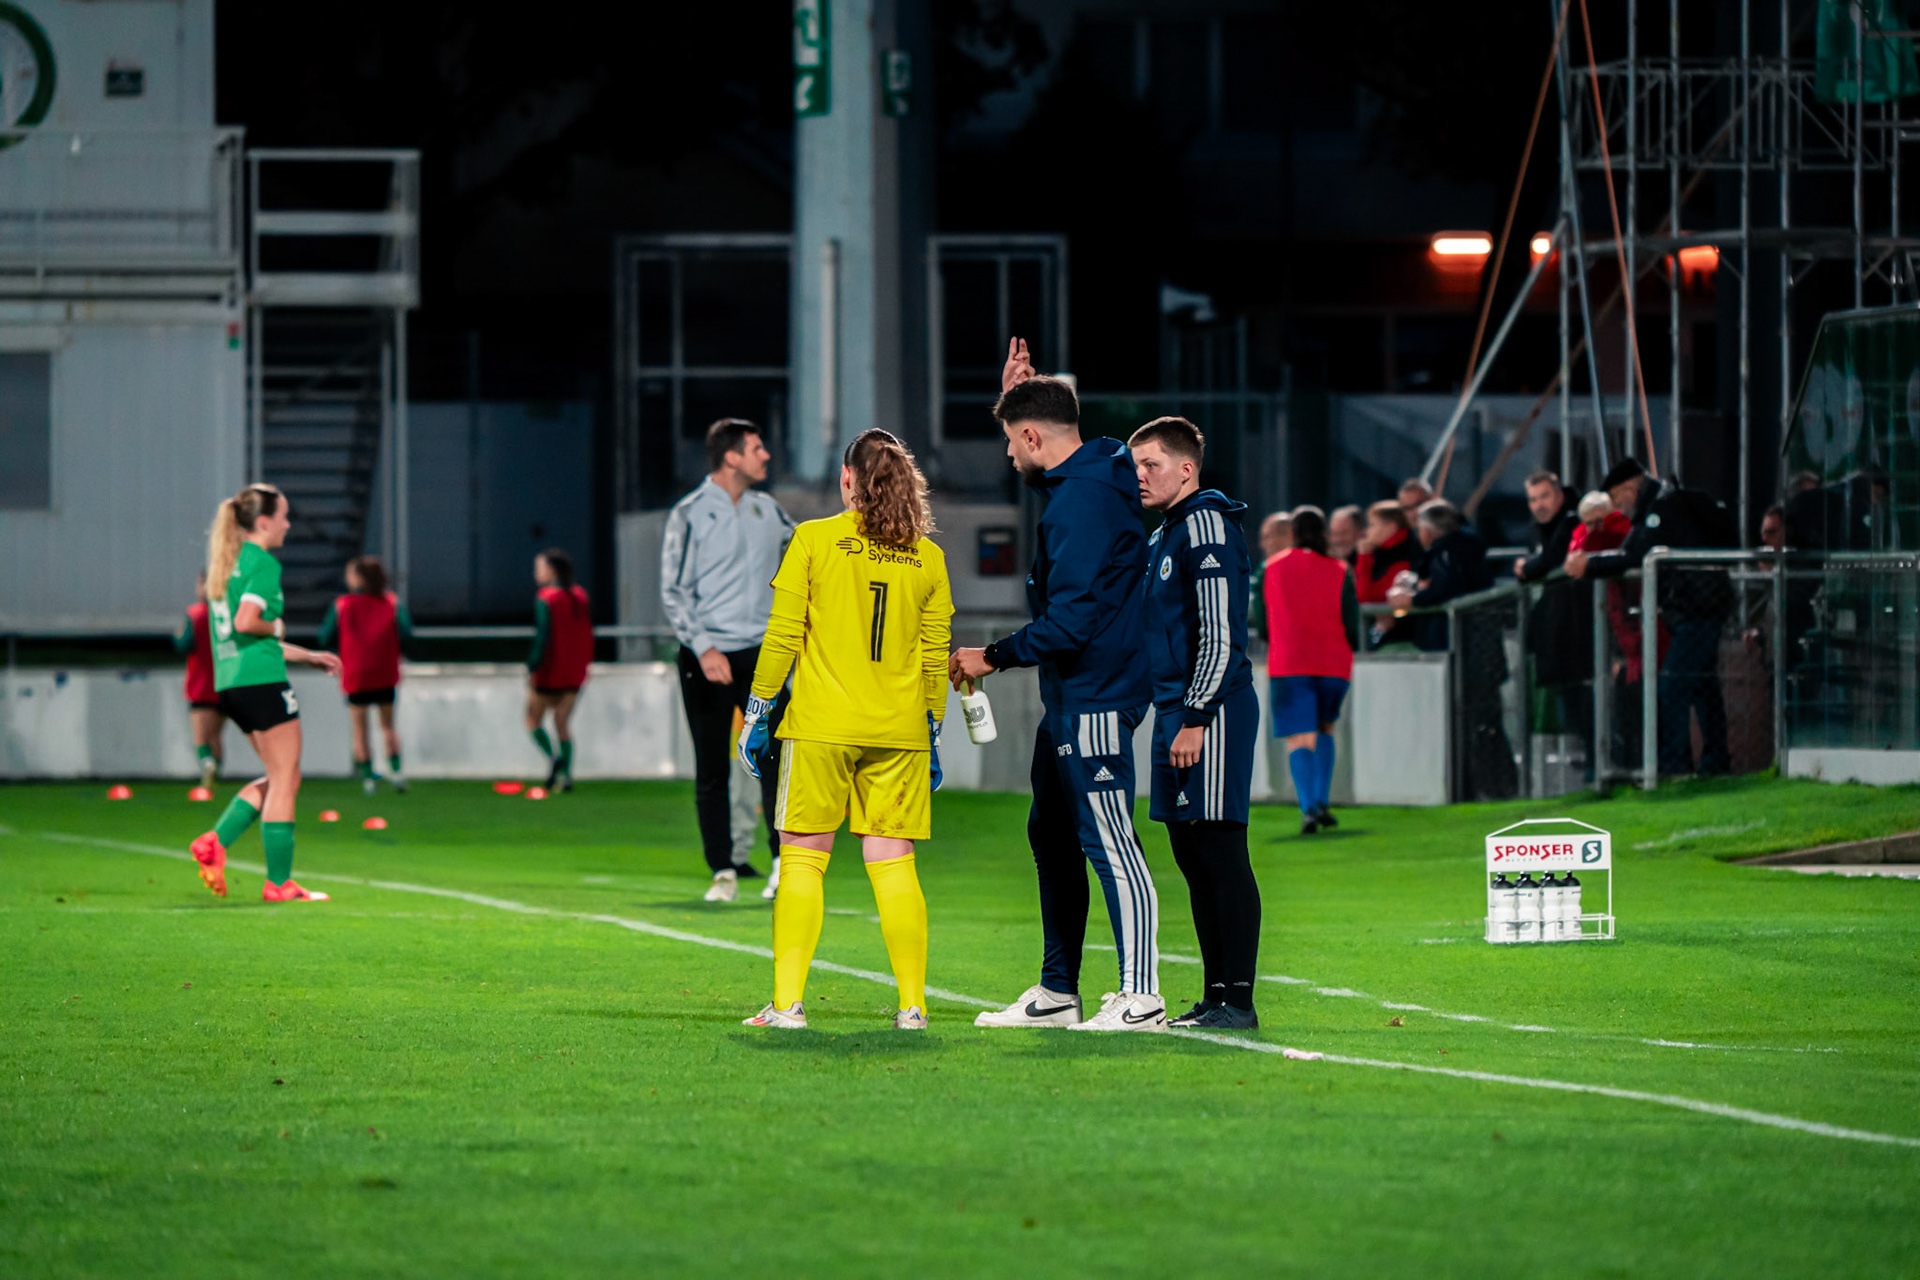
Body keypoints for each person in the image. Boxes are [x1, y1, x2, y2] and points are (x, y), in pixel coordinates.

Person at [951, 343, 1164, 1033]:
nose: (1011, 456)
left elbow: (1071, 620)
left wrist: (995, 655)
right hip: (1074, 697)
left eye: (1014, 441)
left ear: (1035, 435)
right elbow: (1058, 478)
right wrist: (1016, 399)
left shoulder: (1082, 504)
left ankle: (1141, 995)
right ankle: (1058, 991)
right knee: (1051, 831)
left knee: (1110, 841)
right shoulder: (1098, 470)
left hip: (1097, 693)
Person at [737, 429, 951, 1031]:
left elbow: (782, 636)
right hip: (901, 730)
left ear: (847, 479)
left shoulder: (814, 540)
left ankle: (787, 1006)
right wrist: (932, 728)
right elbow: (935, 654)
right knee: (894, 859)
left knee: (803, 855)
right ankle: (913, 1006)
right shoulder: (928, 557)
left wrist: (758, 713)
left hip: (822, 727)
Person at [1130, 417, 1262, 1030]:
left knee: (1219, 850)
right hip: (1175, 711)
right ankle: (1215, 997)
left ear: (1186, 468)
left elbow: (1220, 631)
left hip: (1210, 711)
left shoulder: (1205, 523)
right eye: (1136, 465)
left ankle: (1238, 999)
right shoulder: (1168, 534)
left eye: (1151, 464)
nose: (1140, 476)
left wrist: (1197, 716)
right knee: (1191, 852)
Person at [660, 418, 796, 902]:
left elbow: (806, 560)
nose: (766, 457)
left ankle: (784, 863)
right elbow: (672, 591)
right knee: (712, 765)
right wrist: (704, 646)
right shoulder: (690, 513)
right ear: (732, 457)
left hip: (763, 653)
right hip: (706, 657)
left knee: (775, 758)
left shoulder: (769, 510)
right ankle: (723, 871)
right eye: (758, 448)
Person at [187, 484, 342, 903]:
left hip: (232, 684)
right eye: (284, 516)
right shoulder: (263, 563)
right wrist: (278, 628)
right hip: (262, 682)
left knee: (281, 777)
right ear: (263, 522)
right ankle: (277, 882)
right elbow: (247, 622)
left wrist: (308, 655)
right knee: (286, 779)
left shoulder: (225, 564)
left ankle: (215, 844)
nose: (288, 524)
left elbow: (239, 635)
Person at [1566, 456, 1739, 776]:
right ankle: (1715, 762)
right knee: (1703, 688)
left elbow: (1635, 553)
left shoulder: (1660, 508)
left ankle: (1674, 765)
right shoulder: (1663, 504)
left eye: (1617, 498)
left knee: (1672, 686)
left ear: (1630, 487)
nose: (1618, 507)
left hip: (1697, 607)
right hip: (1699, 604)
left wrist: (1590, 565)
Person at [1391, 499, 1517, 799]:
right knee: (1482, 723)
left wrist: (1415, 599)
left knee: (1476, 724)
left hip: (1468, 652)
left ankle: (1488, 787)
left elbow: (1448, 589)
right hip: (1477, 650)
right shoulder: (1463, 549)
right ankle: (1492, 786)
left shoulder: (1448, 551)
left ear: (1430, 530)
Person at [1266, 506, 1361, 835]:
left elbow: (1261, 621)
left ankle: (1308, 807)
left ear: (1292, 533)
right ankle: (1322, 801)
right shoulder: (1339, 569)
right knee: (1325, 728)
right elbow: (1351, 620)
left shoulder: (1273, 568)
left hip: (1290, 661)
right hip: (1333, 662)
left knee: (1299, 738)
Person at [1511, 471, 1590, 769]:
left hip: (1577, 628)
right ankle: (1591, 764)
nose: (1539, 505)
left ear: (1559, 495)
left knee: (1582, 699)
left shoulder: (1570, 521)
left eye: (1544, 496)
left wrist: (1527, 568)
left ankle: (1598, 763)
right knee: (1570, 700)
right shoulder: (1544, 529)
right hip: (1563, 631)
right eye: (1533, 499)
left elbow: (1552, 560)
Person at [317, 556, 413, 796]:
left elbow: (324, 636)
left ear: (359, 578)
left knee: (360, 730)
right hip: (384, 673)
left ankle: (368, 778)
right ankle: (396, 771)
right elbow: (407, 632)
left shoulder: (343, 605)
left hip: (356, 674)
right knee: (388, 725)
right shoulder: (391, 602)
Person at [526, 547, 592, 793]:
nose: (536, 574)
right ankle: (566, 776)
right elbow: (586, 632)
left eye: (539, 568)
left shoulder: (546, 598)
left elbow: (542, 637)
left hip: (550, 670)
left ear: (550, 570)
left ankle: (554, 759)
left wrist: (533, 666)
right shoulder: (580, 596)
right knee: (562, 722)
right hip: (574, 671)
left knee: (532, 720)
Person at [174, 572, 224, 789]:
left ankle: (207, 772)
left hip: (200, 685)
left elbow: (184, 645)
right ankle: (217, 772)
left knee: (201, 736)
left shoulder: (195, 615)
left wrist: (177, 635)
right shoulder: (227, 614)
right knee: (215, 735)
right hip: (225, 684)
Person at [1248, 511, 1292, 645]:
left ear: (1289, 535)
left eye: (1267, 537)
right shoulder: (1265, 571)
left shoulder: (1267, 571)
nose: (1262, 544)